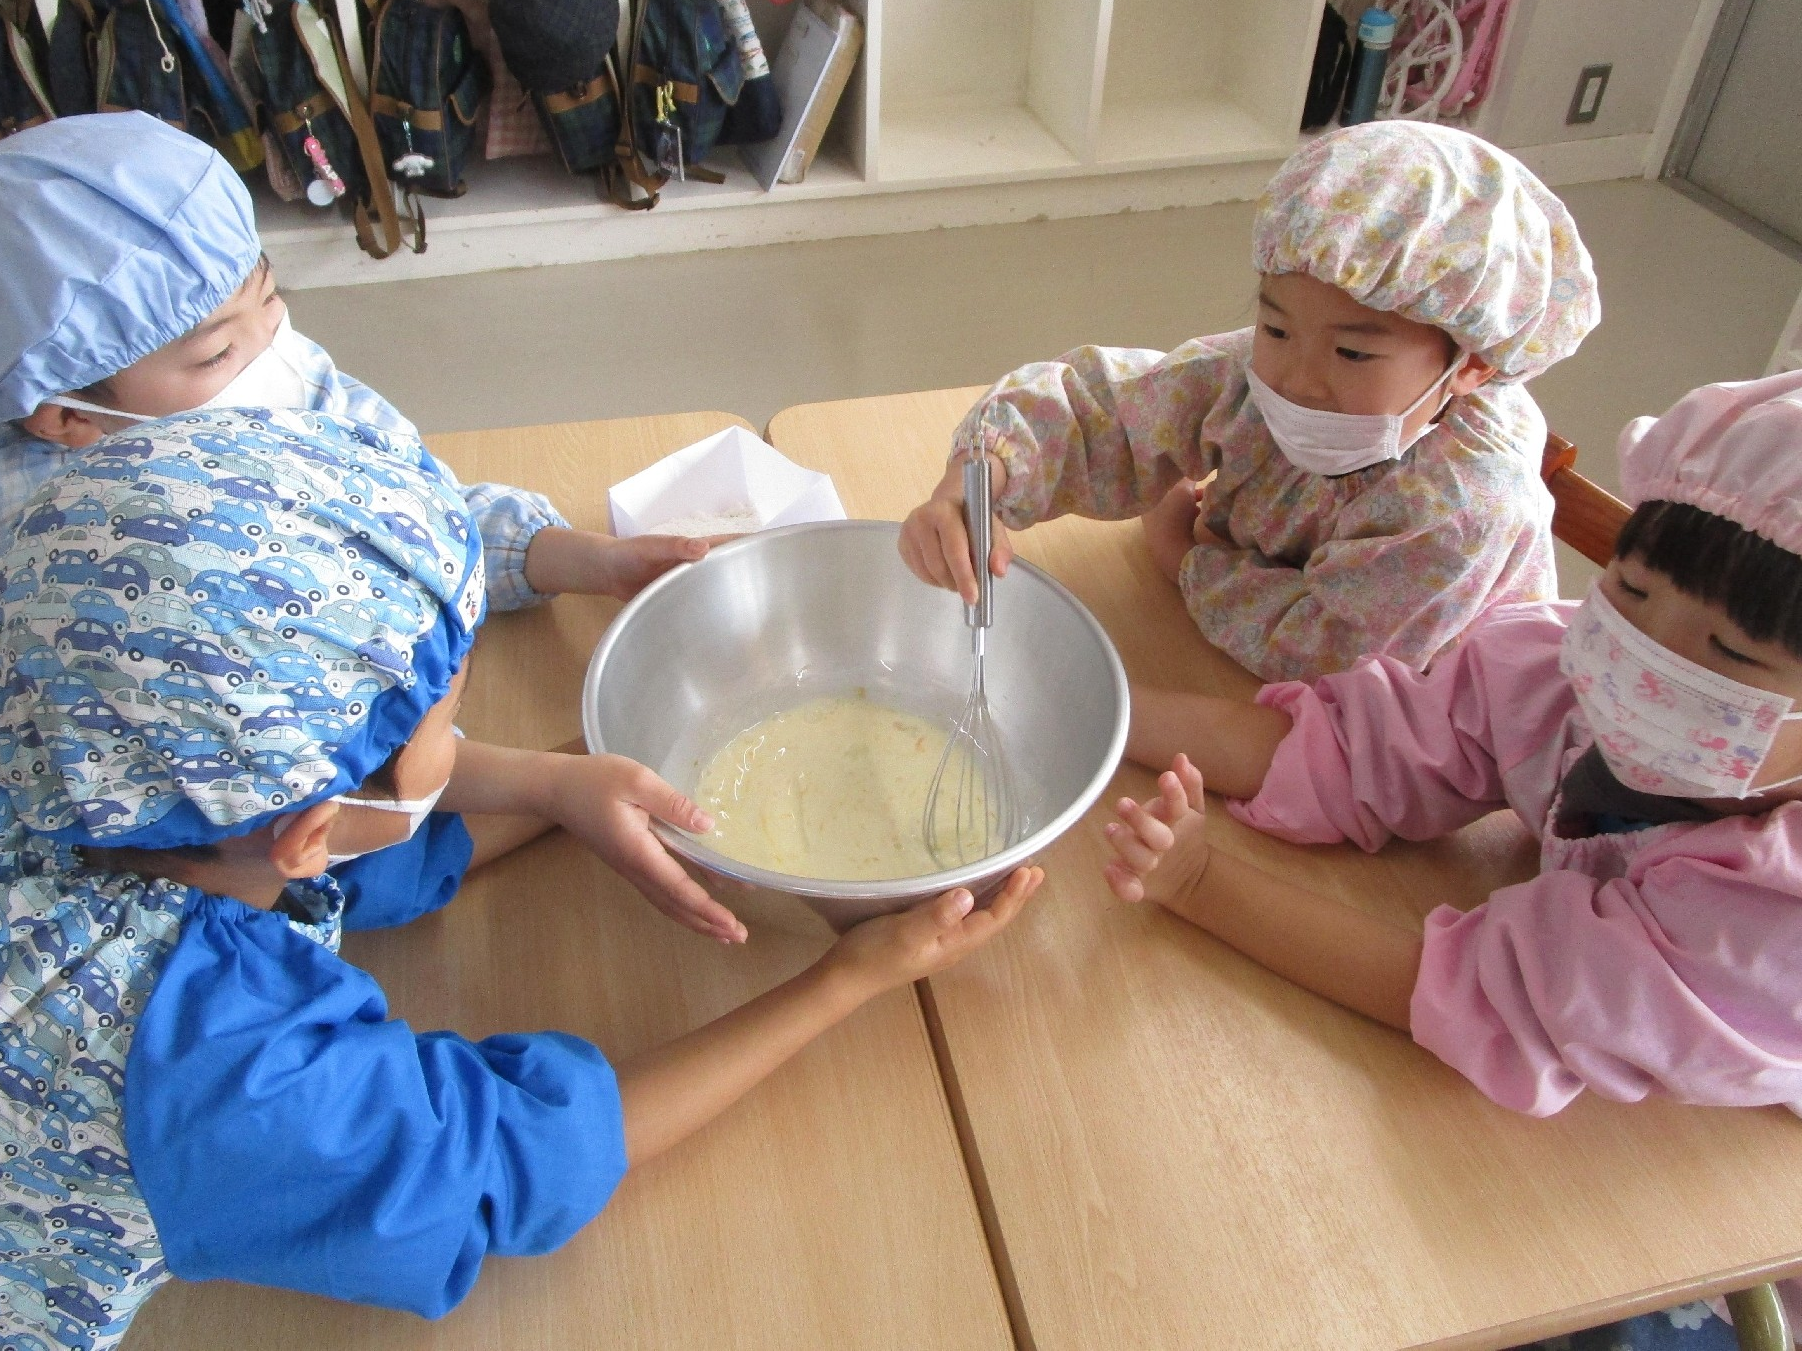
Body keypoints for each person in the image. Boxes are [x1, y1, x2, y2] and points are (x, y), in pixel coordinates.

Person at [0, 407, 1043, 1351]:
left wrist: (555, 784)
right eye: (448, 726)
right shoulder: (206, 1068)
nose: (458, 740)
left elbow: (340, 839)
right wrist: (845, 980)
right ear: (306, 830)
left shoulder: (83, 748)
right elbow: (505, 1161)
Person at [1102, 371, 1802, 1121]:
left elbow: (1472, 994)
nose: (1646, 658)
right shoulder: (1557, 671)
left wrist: (1202, 880)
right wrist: (1098, 713)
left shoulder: (1769, 924)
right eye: (1631, 591)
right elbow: (1364, 746)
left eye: (1730, 651)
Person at [898, 121, 1599, 689]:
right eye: (1276, 327)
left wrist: (1183, 559)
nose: (1296, 378)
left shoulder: (1465, 505)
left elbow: (1331, 659)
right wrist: (976, 480)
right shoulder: (1249, 376)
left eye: (1351, 354)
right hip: (1218, 655)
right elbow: (1100, 414)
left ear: (1471, 363)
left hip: (1411, 743)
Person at [0, 111, 708, 611]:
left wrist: (587, 561)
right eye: (218, 352)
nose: (273, 346)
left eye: (271, 296)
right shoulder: (48, 558)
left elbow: (419, 517)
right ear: (66, 415)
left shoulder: (291, 387)